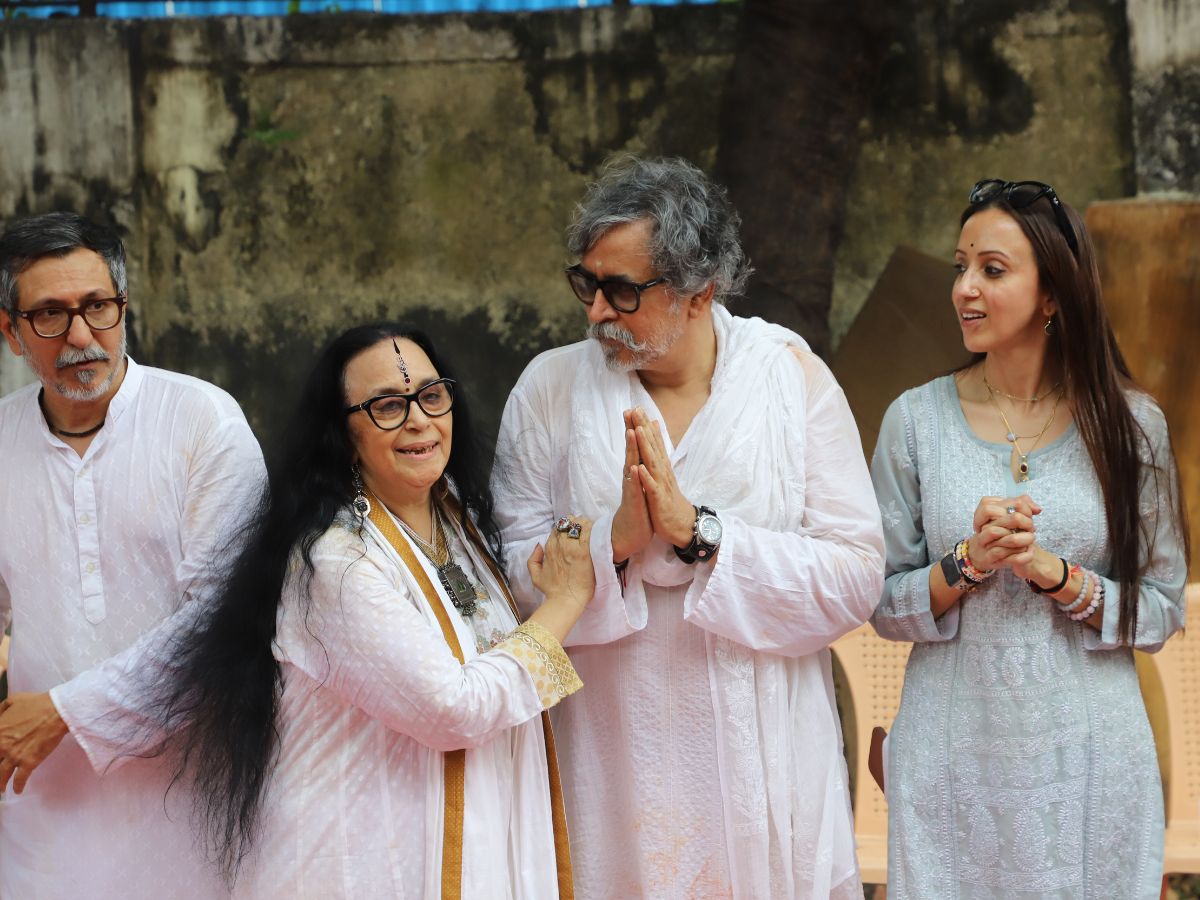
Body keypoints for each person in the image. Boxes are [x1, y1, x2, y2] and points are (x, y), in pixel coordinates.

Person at [492, 156, 885, 898]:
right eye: (586, 283)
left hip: (763, 759)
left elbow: (856, 575)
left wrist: (701, 535)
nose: (596, 312)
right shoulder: (549, 389)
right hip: (608, 754)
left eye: (622, 290)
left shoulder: (789, 378)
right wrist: (612, 543)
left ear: (700, 292)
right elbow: (507, 580)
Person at [135, 323, 593, 897]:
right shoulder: (335, 560)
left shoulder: (455, 516)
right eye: (388, 406)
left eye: (431, 395)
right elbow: (453, 709)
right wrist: (566, 601)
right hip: (361, 864)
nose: (419, 420)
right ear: (344, 435)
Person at [871, 180, 1191, 897]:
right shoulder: (914, 423)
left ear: (1052, 294)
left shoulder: (1132, 427)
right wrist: (968, 562)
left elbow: (1162, 610)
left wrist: (1058, 576)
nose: (964, 289)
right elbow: (883, 604)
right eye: (961, 267)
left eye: (992, 269)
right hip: (952, 763)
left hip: (1091, 767)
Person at [0, 211, 265, 898]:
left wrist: (68, 711)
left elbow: (225, 619)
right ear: (10, 330)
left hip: (187, 803)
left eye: (98, 306)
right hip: (41, 815)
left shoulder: (203, 422)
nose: (80, 336)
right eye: (50, 315)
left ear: (123, 306)